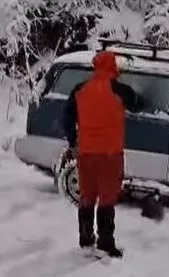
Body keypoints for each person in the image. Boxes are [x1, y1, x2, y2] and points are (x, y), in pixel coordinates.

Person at [62, 51, 136, 258]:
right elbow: (137, 103)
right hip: (110, 155)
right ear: (113, 67)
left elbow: (67, 119)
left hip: (86, 153)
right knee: (106, 198)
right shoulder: (121, 90)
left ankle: (86, 239)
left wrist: (73, 141)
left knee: (87, 196)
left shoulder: (80, 89)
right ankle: (105, 242)